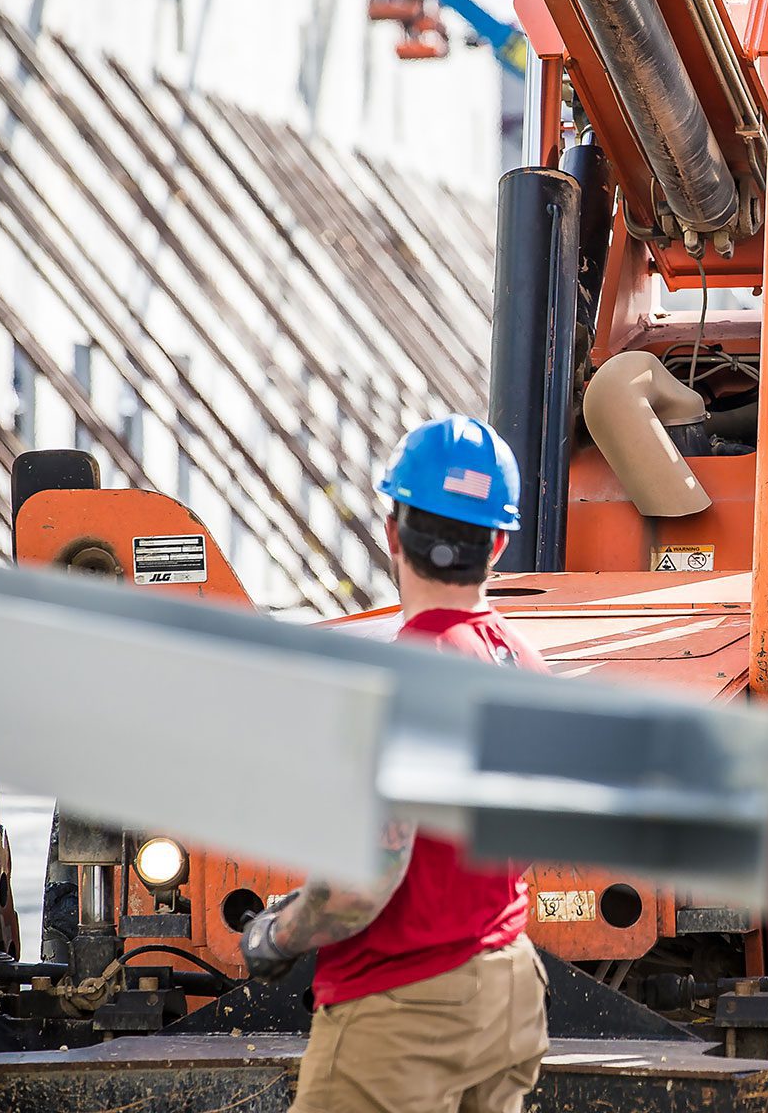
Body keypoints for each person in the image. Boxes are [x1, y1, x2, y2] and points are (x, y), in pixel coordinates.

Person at [240, 414, 550, 1113]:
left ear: (392, 533)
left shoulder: (401, 682)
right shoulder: (523, 663)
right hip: (508, 991)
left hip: (403, 1013)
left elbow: (357, 889)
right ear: (498, 544)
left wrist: (276, 934)